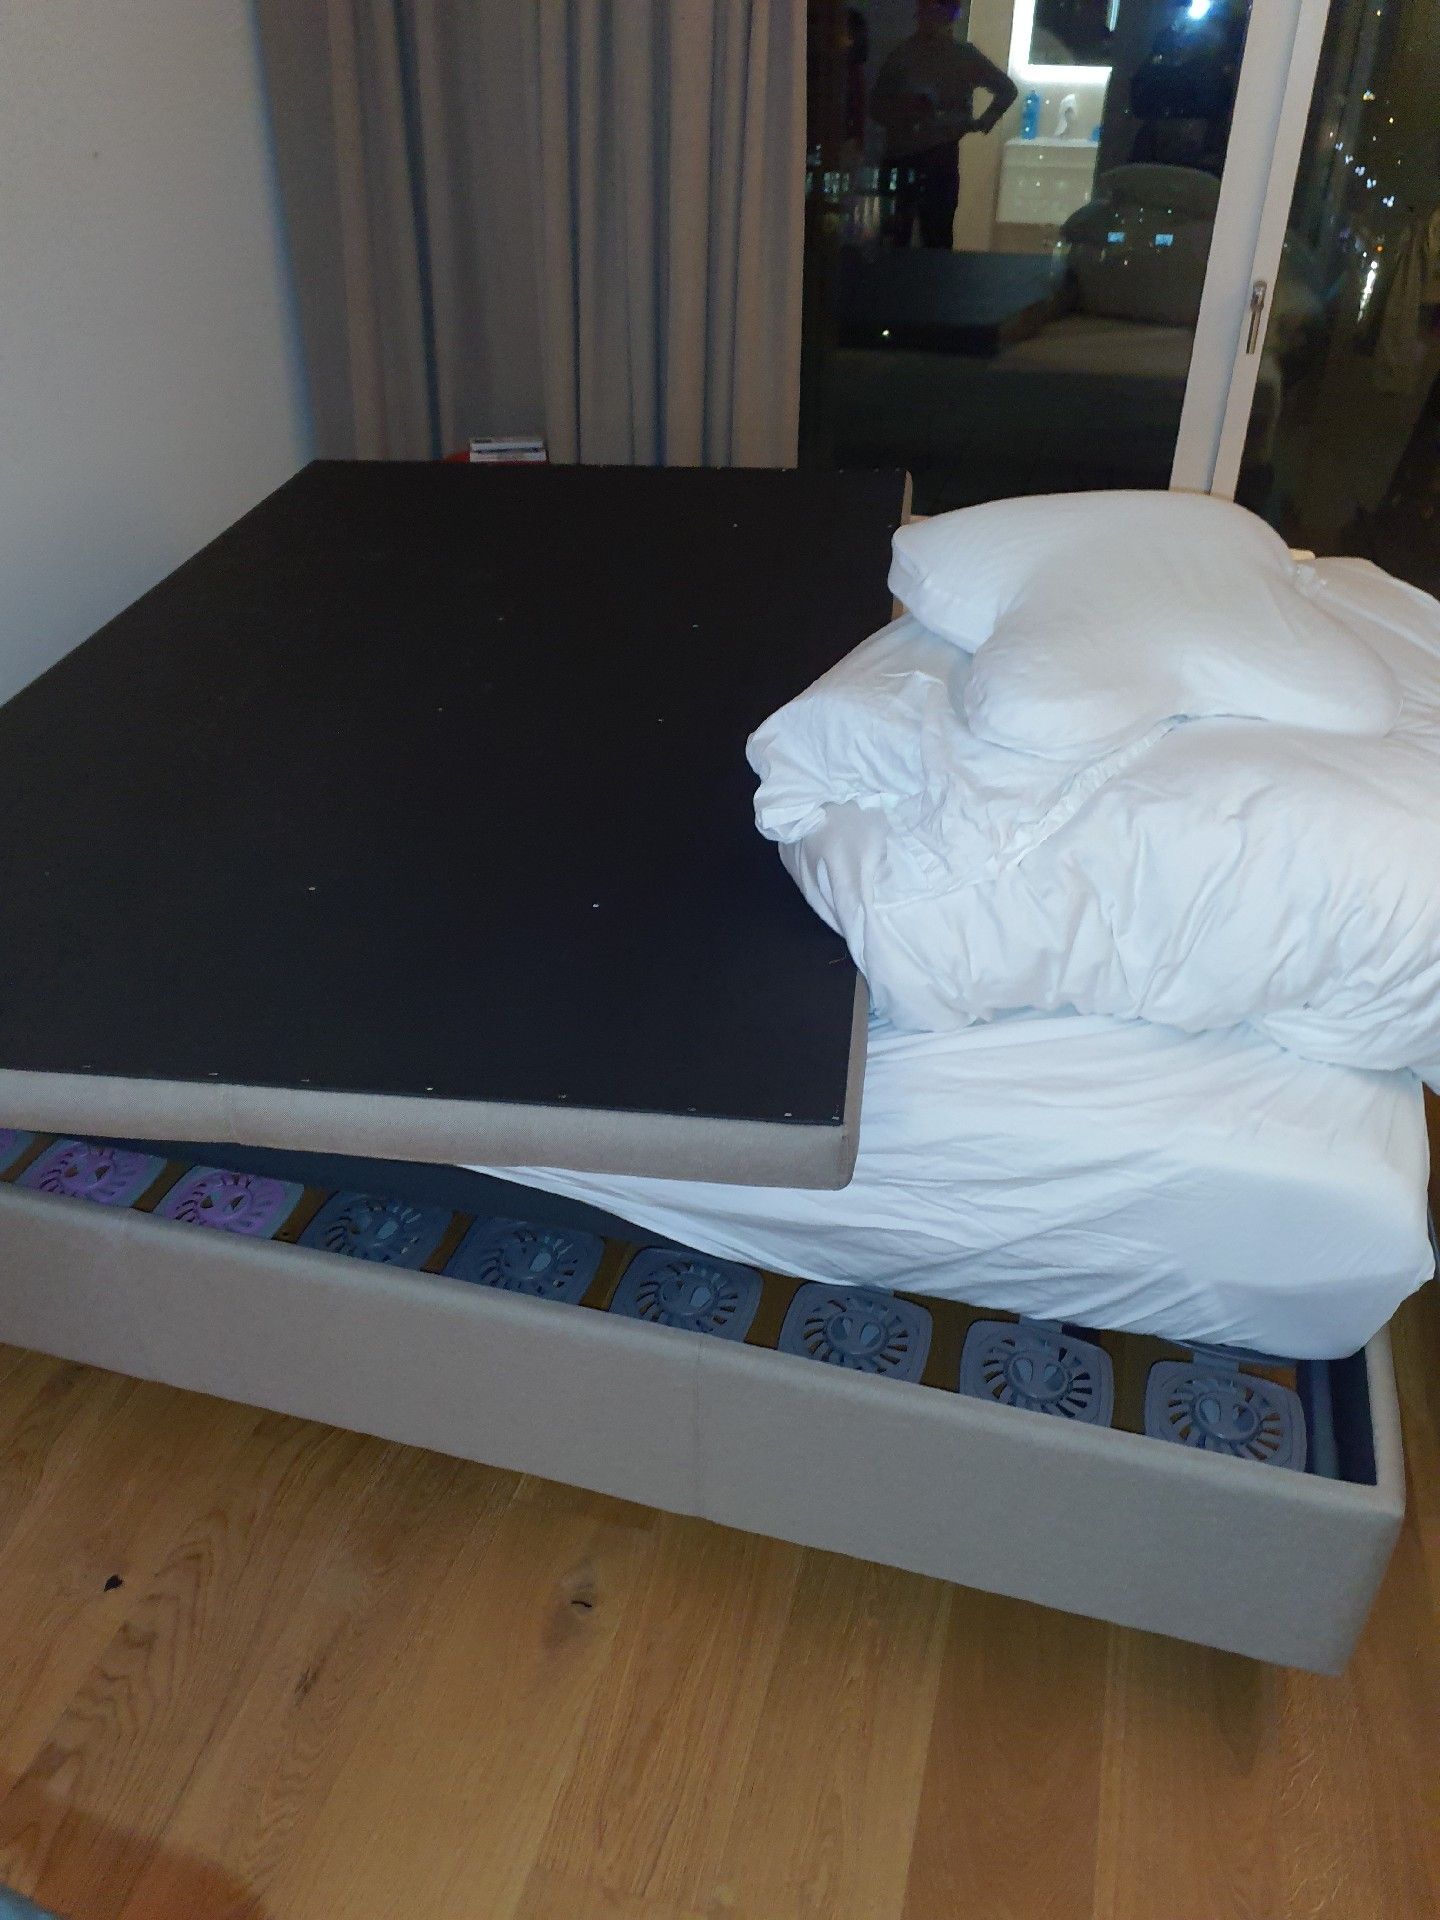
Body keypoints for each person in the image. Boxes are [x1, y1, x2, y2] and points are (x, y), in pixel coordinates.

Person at [871, 1, 1018, 248]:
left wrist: (981, 122)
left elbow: (1007, 90)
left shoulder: (956, 55)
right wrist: (979, 122)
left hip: (932, 156)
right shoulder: (906, 55)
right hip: (908, 155)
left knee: (929, 235)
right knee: (907, 236)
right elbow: (876, 107)